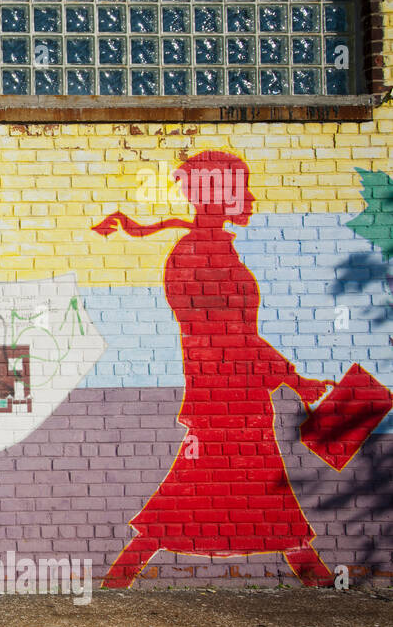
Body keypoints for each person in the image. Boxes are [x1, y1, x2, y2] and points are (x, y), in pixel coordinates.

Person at [92, 150, 334, 587]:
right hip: (225, 399)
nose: (253, 198)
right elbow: (231, 337)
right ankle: (317, 578)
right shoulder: (198, 256)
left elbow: (237, 336)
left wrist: (296, 383)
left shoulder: (203, 251)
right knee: (240, 500)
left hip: (234, 397)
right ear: (219, 196)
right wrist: (297, 382)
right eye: (242, 190)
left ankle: (118, 579)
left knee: (238, 499)